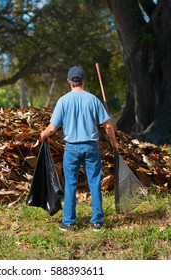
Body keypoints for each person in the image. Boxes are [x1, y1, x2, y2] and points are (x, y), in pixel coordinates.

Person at [40, 66, 119, 232]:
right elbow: (108, 126)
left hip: (72, 148)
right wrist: (115, 143)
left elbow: (52, 128)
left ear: (69, 81)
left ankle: (69, 221)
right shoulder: (93, 100)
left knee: (70, 184)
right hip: (91, 147)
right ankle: (97, 221)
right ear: (84, 80)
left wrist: (42, 135)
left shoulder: (63, 101)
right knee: (95, 183)